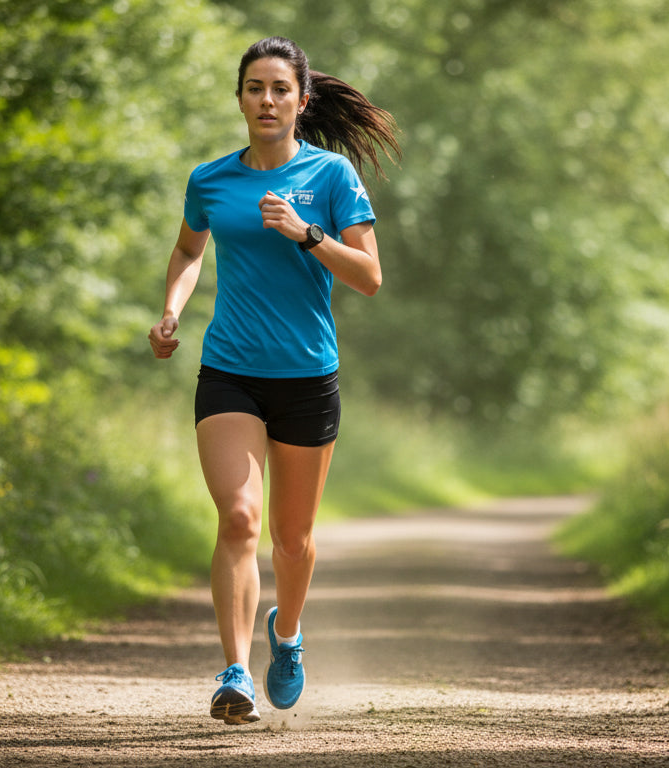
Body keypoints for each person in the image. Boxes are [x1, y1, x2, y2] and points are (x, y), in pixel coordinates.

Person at [148, 36, 399, 724]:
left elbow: (371, 278)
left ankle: (285, 634)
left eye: (280, 89)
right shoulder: (212, 179)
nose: (267, 100)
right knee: (239, 518)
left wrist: (307, 234)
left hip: (307, 375)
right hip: (228, 368)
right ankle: (234, 671)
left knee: (292, 540)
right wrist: (171, 310)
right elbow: (187, 249)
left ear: (302, 100)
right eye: (254, 87)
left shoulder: (332, 177)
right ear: (239, 98)